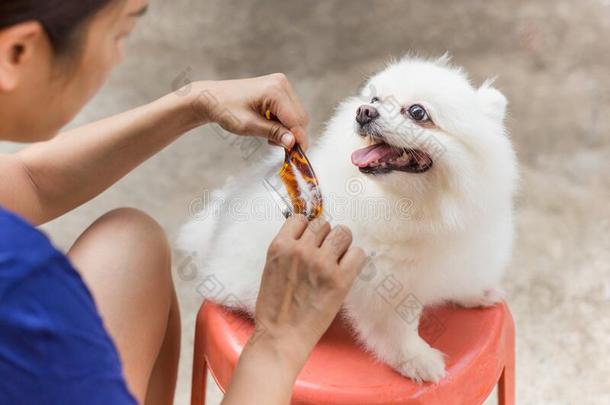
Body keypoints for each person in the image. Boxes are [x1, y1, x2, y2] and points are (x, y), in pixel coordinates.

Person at [0, 1, 367, 405]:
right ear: (18, 52)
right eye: (117, 34)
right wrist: (278, 342)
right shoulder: (24, 283)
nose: (118, 57)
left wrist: (194, 104)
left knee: (129, 244)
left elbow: (27, 183)